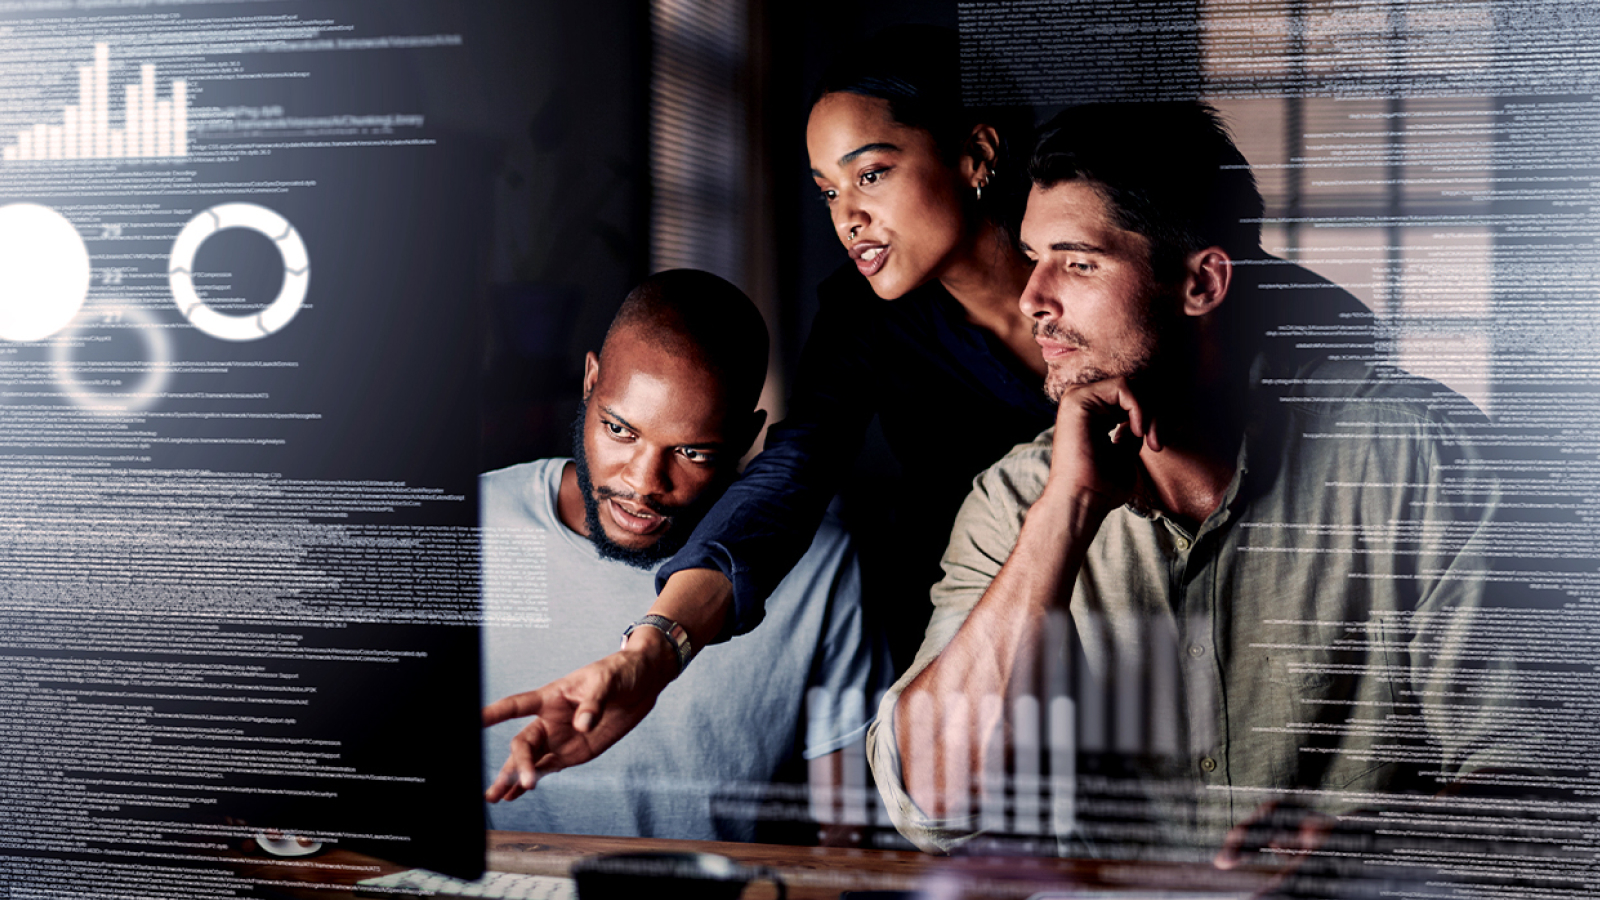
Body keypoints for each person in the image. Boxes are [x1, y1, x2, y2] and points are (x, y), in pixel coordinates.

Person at [865, 102, 1539, 878]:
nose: (1032, 298)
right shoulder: (1019, 500)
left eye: (1077, 263)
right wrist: (1067, 513)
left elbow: (1539, 778)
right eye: (1032, 257)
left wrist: (1377, 846)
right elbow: (933, 806)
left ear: (1200, 282)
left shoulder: (1419, 461)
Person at [484, 25, 1059, 793]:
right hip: (976, 625)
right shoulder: (864, 320)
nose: (846, 217)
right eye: (828, 191)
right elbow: (792, 474)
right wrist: (651, 654)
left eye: (872, 174)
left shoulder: (1113, 274)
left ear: (977, 155)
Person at [479, 269, 888, 842]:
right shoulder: (474, 523)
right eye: (620, 430)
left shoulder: (819, 560)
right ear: (591, 380)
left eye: (692, 452)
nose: (644, 483)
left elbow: (844, 830)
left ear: (748, 438)